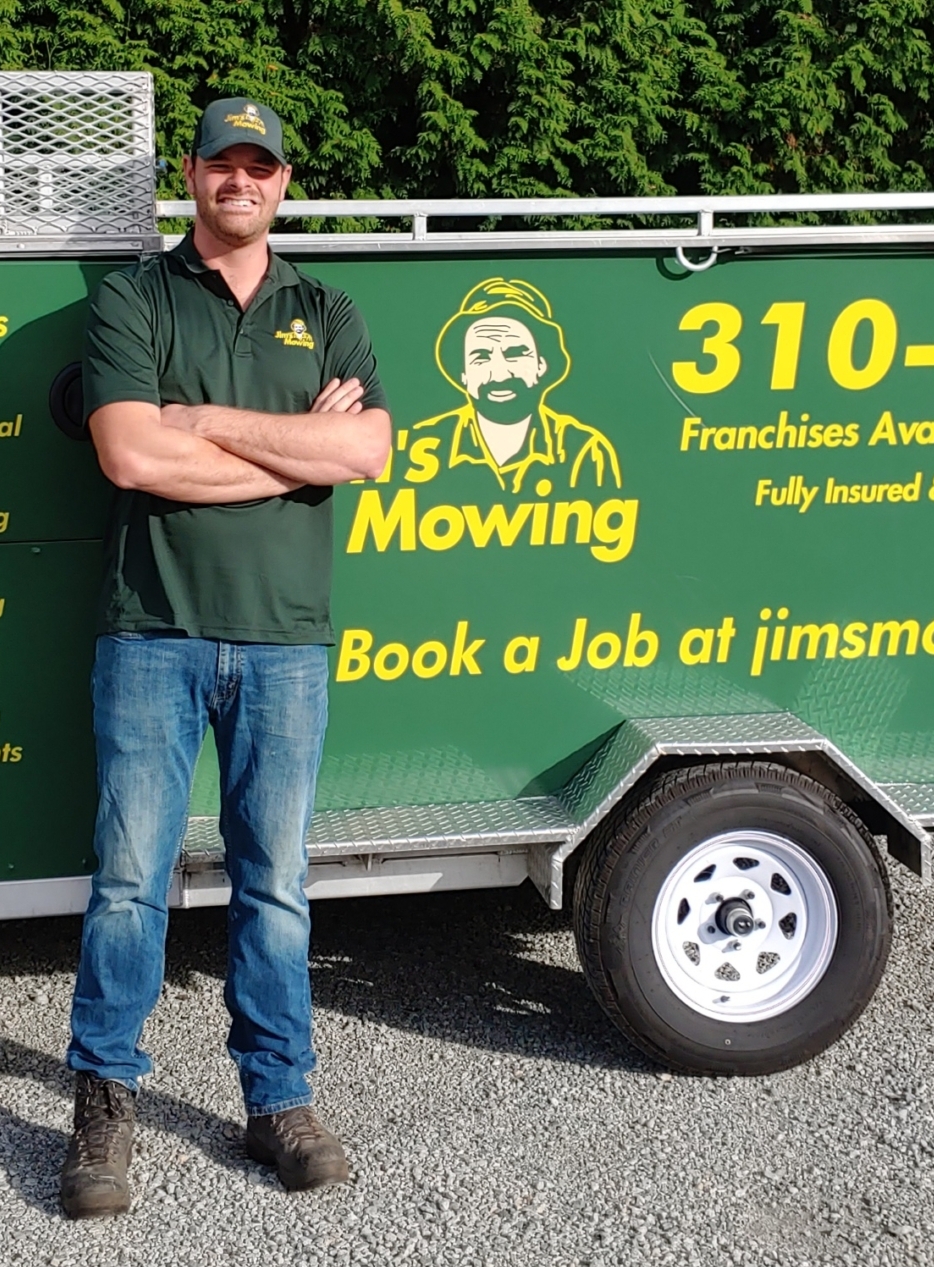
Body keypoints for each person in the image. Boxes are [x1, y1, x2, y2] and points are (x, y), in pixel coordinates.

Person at [58, 97, 392, 1218]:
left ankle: (277, 1101)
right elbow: (125, 454)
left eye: (260, 166)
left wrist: (199, 421)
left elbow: (370, 448)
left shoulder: (325, 308)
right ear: (189, 175)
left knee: (276, 890)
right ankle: (104, 1104)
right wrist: (295, 458)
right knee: (127, 886)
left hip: (286, 643)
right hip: (151, 634)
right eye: (220, 164)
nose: (238, 182)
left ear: (283, 182)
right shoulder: (133, 297)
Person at [409, 278, 619, 494]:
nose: (499, 374)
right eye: (481, 357)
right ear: (463, 373)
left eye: (515, 354)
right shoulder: (421, 446)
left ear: (541, 365)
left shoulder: (583, 451)